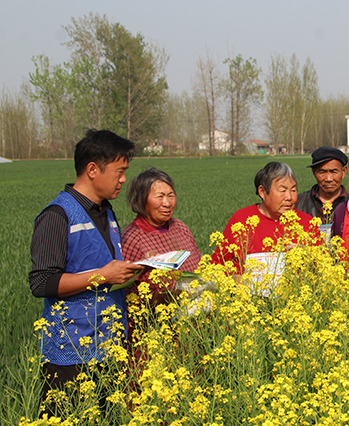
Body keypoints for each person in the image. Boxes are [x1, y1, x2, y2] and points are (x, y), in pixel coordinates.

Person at [28, 129, 143, 404]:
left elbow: (101, 262)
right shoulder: (57, 215)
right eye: (119, 171)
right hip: (70, 355)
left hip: (109, 347)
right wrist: (104, 275)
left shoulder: (106, 211)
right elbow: (42, 282)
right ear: (93, 169)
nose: (124, 180)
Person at [211, 162, 317, 273]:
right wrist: (234, 279)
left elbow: (325, 268)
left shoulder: (307, 223)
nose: (289, 197)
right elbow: (216, 266)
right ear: (262, 192)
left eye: (293, 190)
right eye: (283, 190)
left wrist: (308, 254)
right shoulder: (241, 220)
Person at [121, 168, 201, 301]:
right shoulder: (132, 237)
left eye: (171, 195)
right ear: (140, 201)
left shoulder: (180, 227)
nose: (167, 203)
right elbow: (129, 292)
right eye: (160, 196)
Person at [296, 146, 349, 219]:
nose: (328, 179)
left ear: (343, 171)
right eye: (322, 172)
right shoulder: (298, 203)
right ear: (314, 172)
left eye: (334, 172)